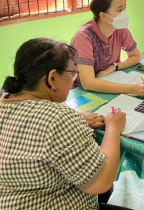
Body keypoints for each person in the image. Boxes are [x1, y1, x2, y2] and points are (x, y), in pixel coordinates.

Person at [0, 38, 131, 210]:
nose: (73, 79)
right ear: (52, 78)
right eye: (72, 73)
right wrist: (113, 128)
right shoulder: (59, 119)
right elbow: (101, 182)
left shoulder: (5, 96)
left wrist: (75, 120)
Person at [71, 0, 144, 96]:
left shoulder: (119, 29)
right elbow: (88, 83)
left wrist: (113, 67)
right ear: (103, 16)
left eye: (125, 8)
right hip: (82, 92)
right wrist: (132, 89)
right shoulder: (83, 37)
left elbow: (136, 57)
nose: (125, 13)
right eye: (119, 10)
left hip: (112, 82)